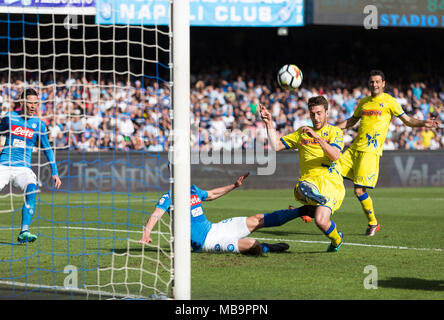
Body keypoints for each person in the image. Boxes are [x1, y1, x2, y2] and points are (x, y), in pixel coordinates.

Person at [336, 70, 440, 236]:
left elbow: (407, 120)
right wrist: (332, 128)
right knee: (331, 172)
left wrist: (423, 123)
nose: (374, 85)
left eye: (377, 82)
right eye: (372, 82)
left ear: (383, 83)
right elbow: (352, 121)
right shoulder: (364, 102)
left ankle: (373, 223)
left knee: (358, 191)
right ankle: (313, 209)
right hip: (354, 149)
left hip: (370, 151)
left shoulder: (390, 101)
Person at [139, 172, 313, 254]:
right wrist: (146, 233)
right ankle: (269, 248)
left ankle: (302, 211)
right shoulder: (170, 195)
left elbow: (212, 194)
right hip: (206, 242)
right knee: (254, 245)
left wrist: (234, 186)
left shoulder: (193, 189)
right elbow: (157, 213)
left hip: (215, 229)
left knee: (258, 219)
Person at [260, 96, 346, 252]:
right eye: (313, 114)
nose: (316, 117)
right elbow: (276, 145)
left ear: (327, 112)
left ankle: (336, 239)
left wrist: (317, 137)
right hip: (309, 180)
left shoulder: (335, 132)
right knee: (303, 186)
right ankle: (311, 199)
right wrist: (269, 123)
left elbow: (334, 155)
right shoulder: (303, 132)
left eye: (319, 113)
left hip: (331, 183)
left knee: (320, 221)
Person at [0, 88, 62, 243]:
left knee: (32, 190)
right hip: (4, 164)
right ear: (22, 102)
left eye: (36, 103)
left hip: (23, 168)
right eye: (30, 103)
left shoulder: (39, 125)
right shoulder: (10, 117)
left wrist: (55, 172)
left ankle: (24, 232)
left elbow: (47, 148)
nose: (33, 106)